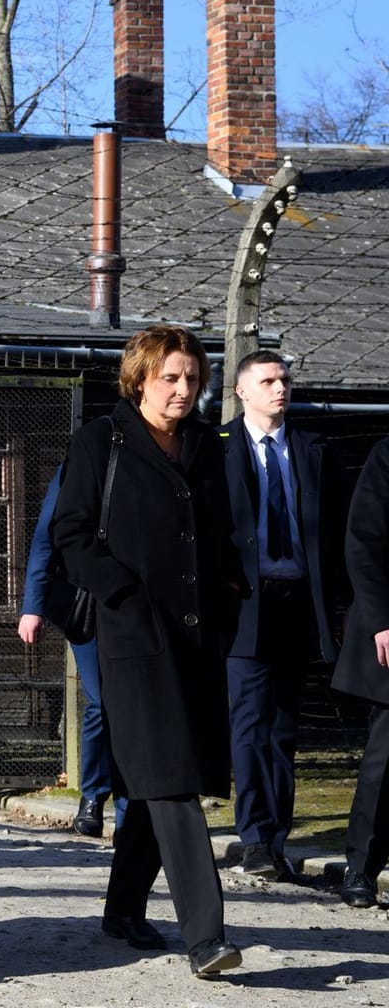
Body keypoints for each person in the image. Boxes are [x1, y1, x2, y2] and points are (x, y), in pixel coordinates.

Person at [51, 324, 244, 976]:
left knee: (150, 779)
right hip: (133, 639)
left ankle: (122, 909)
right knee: (173, 784)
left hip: (195, 640)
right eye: (171, 377)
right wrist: (122, 594)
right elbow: (71, 533)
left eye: (192, 378)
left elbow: (219, 536)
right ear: (140, 378)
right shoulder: (99, 441)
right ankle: (207, 937)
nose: (184, 389)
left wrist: (230, 593)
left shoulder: (206, 446)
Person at [220, 350, 348, 880]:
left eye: (286, 380)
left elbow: (337, 531)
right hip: (245, 600)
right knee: (248, 721)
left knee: (284, 726)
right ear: (243, 391)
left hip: (299, 600)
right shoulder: (216, 448)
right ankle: (253, 836)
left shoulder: (314, 449)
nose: (281, 388)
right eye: (269, 381)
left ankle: (277, 838)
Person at [18, 467, 126, 838]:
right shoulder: (80, 466)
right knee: (103, 701)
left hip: (145, 604)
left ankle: (131, 808)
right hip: (90, 603)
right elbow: (45, 539)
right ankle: (94, 796)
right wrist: (33, 605)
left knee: (133, 706)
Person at [336, 435, 389, 908]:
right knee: (385, 758)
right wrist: (381, 620)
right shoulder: (386, 456)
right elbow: (364, 542)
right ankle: (361, 868)